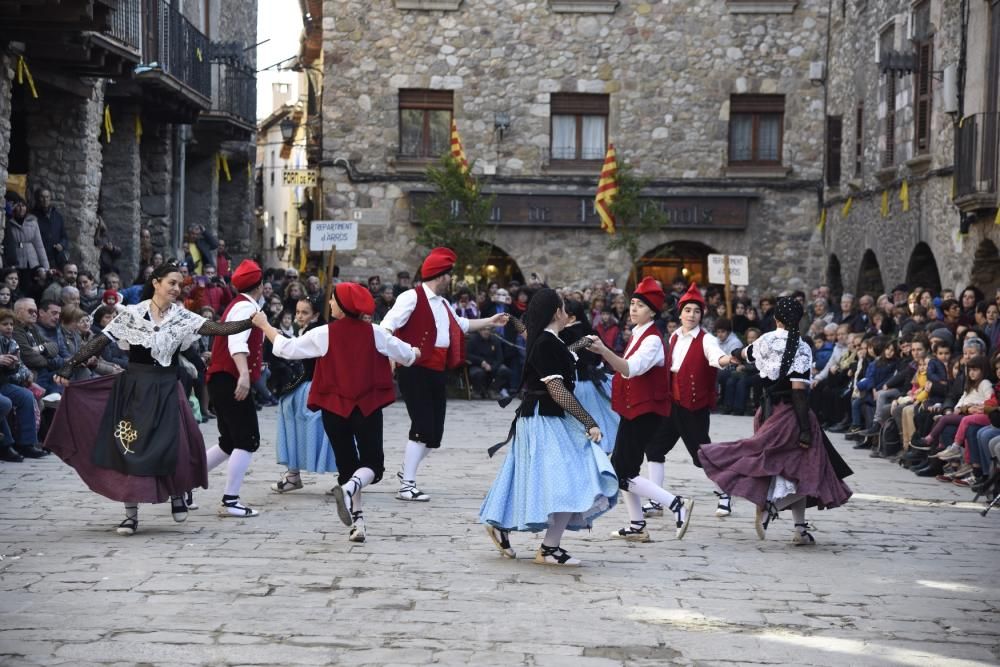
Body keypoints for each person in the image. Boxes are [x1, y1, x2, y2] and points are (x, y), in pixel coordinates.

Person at [44, 261, 255, 535]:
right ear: (156, 282)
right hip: (135, 388)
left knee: (175, 444)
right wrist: (70, 364)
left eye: (180, 284)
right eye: (172, 283)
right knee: (128, 446)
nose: (177, 289)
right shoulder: (132, 314)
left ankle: (178, 493)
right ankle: (130, 515)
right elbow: (101, 340)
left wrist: (253, 320)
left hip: (167, 387)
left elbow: (220, 329)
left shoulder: (182, 317)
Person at [256, 282, 419, 543]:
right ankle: (352, 499)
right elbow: (407, 355)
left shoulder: (324, 333)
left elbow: (288, 349)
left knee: (348, 467)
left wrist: (265, 327)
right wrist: (415, 352)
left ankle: (358, 522)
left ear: (342, 306)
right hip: (366, 408)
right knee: (372, 466)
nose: (329, 304)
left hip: (334, 410)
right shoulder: (375, 333)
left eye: (333, 300)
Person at [699, 297, 853, 546]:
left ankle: (800, 530)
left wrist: (733, 357)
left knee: (792, 471)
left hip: (767, 412)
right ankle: (770, 505)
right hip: (792, 415)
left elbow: (742, 354)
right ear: (799, 320)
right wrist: (805, 429)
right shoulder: (802, 347)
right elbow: (799, 391)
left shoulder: (765, 340)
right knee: (805, 470)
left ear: (776, 319)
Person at [480, 288, 617, 566]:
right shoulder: (545, 342)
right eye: (564, 307)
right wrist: (589, 421)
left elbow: (559, 355)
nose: (567, 311)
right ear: (557, 312)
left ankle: (503, 525)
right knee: (573, 476)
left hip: (541, 417)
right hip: (543, 418)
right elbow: (557, 388)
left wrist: (581, 344)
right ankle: (548, 547)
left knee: (530, 476)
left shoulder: (548, 341)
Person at [379, 247, 510, 502]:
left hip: (436, 370)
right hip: (414, 369)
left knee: (434, 433)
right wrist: (396, 355)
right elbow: (386, 327)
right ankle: (407, 485)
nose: (451, 280)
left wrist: (491, 321)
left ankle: (407, 471)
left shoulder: (443, 304)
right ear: (440, 276)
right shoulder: (411, 297)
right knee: (422, 425)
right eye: (449, 275)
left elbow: (461, 325)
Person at [588, 277, 695, 542]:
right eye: (632, 304)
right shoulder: (638, 333)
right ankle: (637, 525)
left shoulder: (653, 340)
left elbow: (630, 368)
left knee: (620, 472)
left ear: (653, 312)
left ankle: (676, 503)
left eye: (640, 305)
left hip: (647, 412)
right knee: (624, 470)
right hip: (634, 409)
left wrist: (603, 350)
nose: (633, 309)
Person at [648, 283, 737, 518]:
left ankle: (724, 493)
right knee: (654, 448)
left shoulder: (707, 340)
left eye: (696, 311)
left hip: (693, 407)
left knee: (701, 456)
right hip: (670, 404)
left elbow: (715, 357)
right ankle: (657, 500)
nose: (692, 315)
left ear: (702, 315)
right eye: (688, 310)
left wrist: (728, 359)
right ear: (680, 313)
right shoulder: (673, 337)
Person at [203, 260, 267, 518]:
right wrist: (243, 374)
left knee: (229, 442)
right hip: (230, 378)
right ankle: (230, 500)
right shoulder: (244, 307)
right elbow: (236, 341)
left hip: (222, 378)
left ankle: (183, 485)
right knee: (247, 439)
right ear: (260, 285)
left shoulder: (239, 304)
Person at [269, 298, 335, 495]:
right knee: (297, 423)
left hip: (313, 387)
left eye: (304, 312)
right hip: (306, 385)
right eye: (297, 312)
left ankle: (294, 475)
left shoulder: (315, 332)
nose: (299, 316)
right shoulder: (310, 330)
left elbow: (293, 352)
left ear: (315, 315)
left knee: (321, 430)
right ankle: (293, 475)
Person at [561, 299, 619, 455]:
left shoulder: (564, 334)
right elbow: (599, 357)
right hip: (592, 384)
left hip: (575, 385)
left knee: (578, 425)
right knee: (600, 419)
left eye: (562, 312)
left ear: (571, 317)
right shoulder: (592, 331)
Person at [0, 308, 46, 462]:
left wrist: (17, 369)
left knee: (26, 395)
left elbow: (18, 370)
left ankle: (26, 443)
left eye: (11, 324)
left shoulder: (11, 343)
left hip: (4, 383)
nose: (9, 327)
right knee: (4, 402)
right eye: (4, 324)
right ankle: (5, 446)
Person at [3, 194, 49, 287]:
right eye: (18, 206)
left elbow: (39, 245)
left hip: (31, 261)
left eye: (23, 206)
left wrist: (45, 267)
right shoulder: (9, 222)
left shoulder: (32, 222)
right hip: (16, 259)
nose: (21, 208)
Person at [32, 187, 69, 269]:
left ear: (50, 198)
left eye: (47, 197)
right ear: (38, 198)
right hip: (39, 258)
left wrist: (62, 245)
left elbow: (64, 237)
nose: (45, 199)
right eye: (42, 197)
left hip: (56, 258)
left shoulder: (57, 216)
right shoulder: (32, 216)